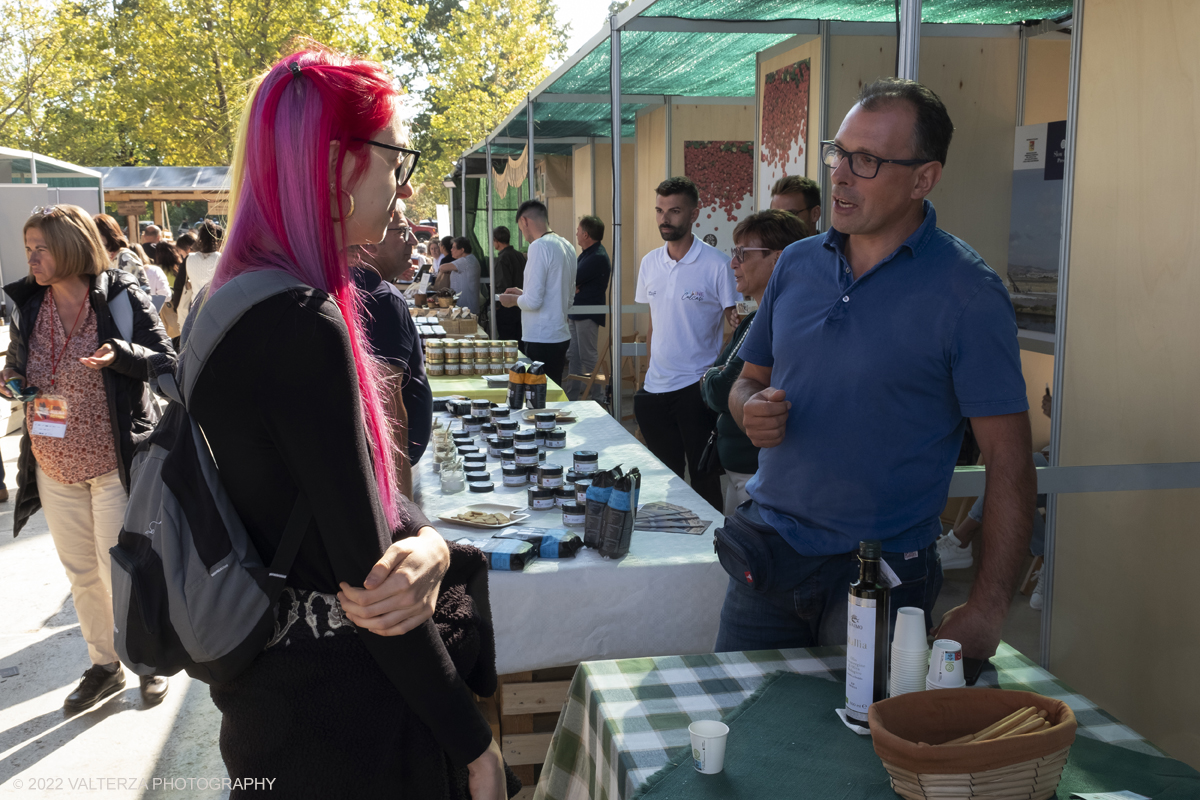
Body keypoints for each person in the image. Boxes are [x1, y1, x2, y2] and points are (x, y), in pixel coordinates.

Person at [188, 50, 505, 799]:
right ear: (337, 165)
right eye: (396, 156)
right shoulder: (301, 323)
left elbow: (345, 505)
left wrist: (426, 540)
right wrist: (475, 746)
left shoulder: (231, 300)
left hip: (269, 705)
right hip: (341, 728)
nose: (405, 182)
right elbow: (373, 594)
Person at [721, 78, 1036, 660]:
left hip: (884, 576)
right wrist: (748, 410)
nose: (839, 174)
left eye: (866, 160)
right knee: (739, 733)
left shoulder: (968, 294)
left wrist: (989, 606)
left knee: (867, 748)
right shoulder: (794, 264)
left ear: (924, 179)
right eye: (838, 152)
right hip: (767, 558)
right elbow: (748, 380)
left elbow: (1011, 465)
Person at [2, 204, 175, 710]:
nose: (31, 258)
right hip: (53, 465)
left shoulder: (120, 297)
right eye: (28, 247)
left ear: (72, 247)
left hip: (113, 465)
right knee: (81, 574)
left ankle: (148, 660)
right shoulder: (26, 304)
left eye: (42, 248)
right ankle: (105, 665)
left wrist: (122, 354)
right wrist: (11, 379)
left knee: (122, 568)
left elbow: (168, 362)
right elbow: (17, 359)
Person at [633, 177, 738, 511]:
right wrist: (648, 373)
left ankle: (712, 554)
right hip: (655, 389)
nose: (665, 218)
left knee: (704, 478)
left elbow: (735, 327)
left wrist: (715, 378)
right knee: (664, 479)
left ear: (694, 213)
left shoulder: (717, 264)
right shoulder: (650, 263)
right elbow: (653, 324)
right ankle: (670, 552)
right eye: (660, 210)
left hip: (696, 389)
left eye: (675, 211)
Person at [701, 210, 808, 517]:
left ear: (778, 260)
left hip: (759, 477)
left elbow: (720, 389)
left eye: (741, 254)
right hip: (743, 474)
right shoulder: (755, 319)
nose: (732, 263)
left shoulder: (782, 321)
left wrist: (710, 375)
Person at [357, 208, 433, 497]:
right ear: (369, 242)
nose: (412, 241)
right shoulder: (384, 298)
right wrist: (402, 507)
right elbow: (389, 410)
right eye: (402, 232)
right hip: (383, 472)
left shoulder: (352, 286)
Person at [500, 200, 576, 386]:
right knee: (553, 391)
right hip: (560, 333)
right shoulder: (567, 245)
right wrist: (522, 294)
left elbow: (533, 301)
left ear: (525, 221)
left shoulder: (538, 246)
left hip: (541, 337)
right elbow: (564, 297)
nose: (523, 234)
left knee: (539, 397)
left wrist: (513, 300)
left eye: (520, 227)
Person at [565, 215, 610, 403]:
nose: (576, 233)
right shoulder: (586, 253)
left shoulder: (597, 255)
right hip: (576, 312)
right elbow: (571, 280)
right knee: (573, 356)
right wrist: (573, 285)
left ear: (586, 234)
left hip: (587, 313)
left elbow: (570, 279)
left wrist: (573, 284)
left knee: (588, 356)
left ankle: (599, 398)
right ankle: (571, 397)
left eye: (578, 230)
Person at [176, 220, 223, 325]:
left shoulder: (190, 258)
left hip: (195, 307)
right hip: (216, 305)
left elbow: (179, 283)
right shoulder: (220, 258)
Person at [92, 214, 150, 289]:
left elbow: (143, 289)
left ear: (108, 233)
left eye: (96, 233)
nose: (93, 237)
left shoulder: (125, 257)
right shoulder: (104, 258)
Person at [439, 237, 481, 314]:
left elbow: (442, 267)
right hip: (464, 308)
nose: (451, 250)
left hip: (467, 309)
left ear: (462, 250)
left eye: (454, 247)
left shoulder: (465, 260)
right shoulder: (469, 259)